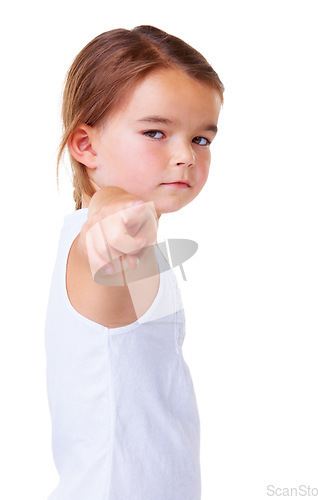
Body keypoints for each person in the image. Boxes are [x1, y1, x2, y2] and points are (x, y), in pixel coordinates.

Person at [45, 25, 224, 500]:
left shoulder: (140, 245)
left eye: (201, 139)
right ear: (86, 146)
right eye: (155, 132)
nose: (184, 156)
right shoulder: (104, 239)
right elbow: (113, 211)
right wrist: (110, 207)